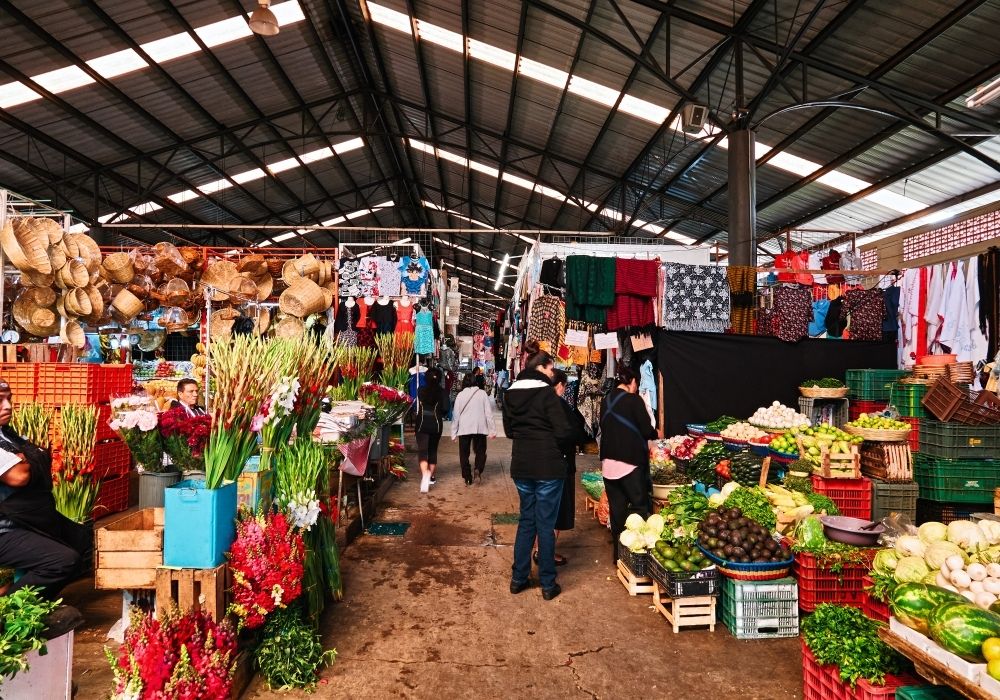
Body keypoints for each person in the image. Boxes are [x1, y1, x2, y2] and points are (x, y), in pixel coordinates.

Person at [0, 380, 89, 600]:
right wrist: (26, 458)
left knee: (86, 544)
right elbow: (19, 476)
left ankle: (34, 597)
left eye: (8, 398)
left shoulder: (7, 434)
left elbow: (36, 457)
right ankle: (10, 609)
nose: (8, 405)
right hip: (5, 531)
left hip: (27, 520)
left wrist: (25, 458)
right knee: (63, 561)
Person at [502, 341, 572, 601]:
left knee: (526, 521)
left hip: (521, 465)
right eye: (551, 369)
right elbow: (564, 431)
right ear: (541, 368)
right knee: (545, 523)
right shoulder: (546, 393)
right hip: (548, 467)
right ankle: (547, 584)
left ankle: (518, 579)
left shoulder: (509, 393)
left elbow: (509, 432)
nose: (553, 374)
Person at [599, 365, 657, 564]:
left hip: (608, 464)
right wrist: (655, 434)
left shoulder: (605, 400)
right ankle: (636, 558)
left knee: (617, 511)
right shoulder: (634, 400)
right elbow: (646, 429)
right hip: (630, 464)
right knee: (639, 507)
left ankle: (618, 556)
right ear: (632, 382)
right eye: (636, 384)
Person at [546, 369, 588, 565]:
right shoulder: (559, 405)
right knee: (557, 512)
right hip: (561, 464)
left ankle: (540, 549)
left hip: (543, 463)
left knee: (544, 511)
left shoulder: (540, 403)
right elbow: (571, 434)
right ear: (560, 385)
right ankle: (546, 552)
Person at [450, 374, 496, 486]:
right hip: (480, 427)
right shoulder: (482, 394)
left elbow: (456, 416)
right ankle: (478, 470)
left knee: (464, 454)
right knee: (480, 451)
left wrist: (453, 433)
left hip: (464, 428)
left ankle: (467, 477)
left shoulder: (460, 395)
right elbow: (488, 414)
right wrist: (492, 430)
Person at [415, 367, 447, 493]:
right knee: (433, 450)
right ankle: (431, 477)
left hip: (422, 423)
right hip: (436, 424)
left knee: (423, 451)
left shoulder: (420, 390)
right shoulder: (442, 392)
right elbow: (445, 408)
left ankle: (425, 474)